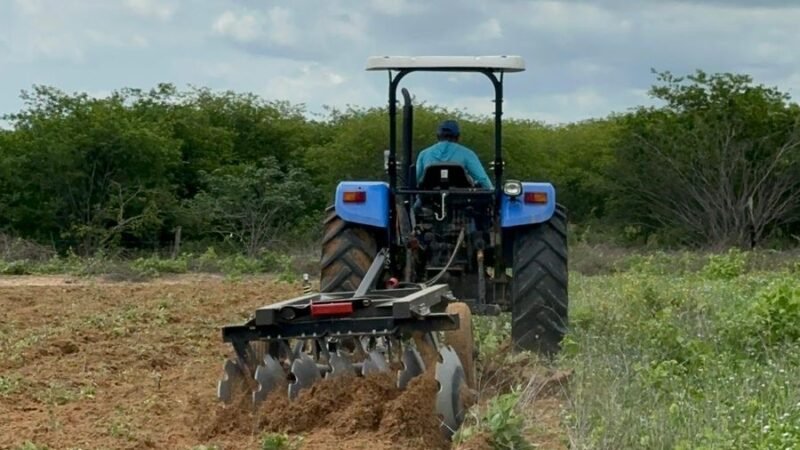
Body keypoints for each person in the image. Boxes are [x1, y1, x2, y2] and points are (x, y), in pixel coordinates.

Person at [415, 120, 494, 189]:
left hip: (429, 199)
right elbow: (482, 178)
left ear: (438, 135)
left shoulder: (424, 153)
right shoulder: (467, 153)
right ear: (457, 136)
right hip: (461, 200)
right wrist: (492, 192)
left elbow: (414, 179)